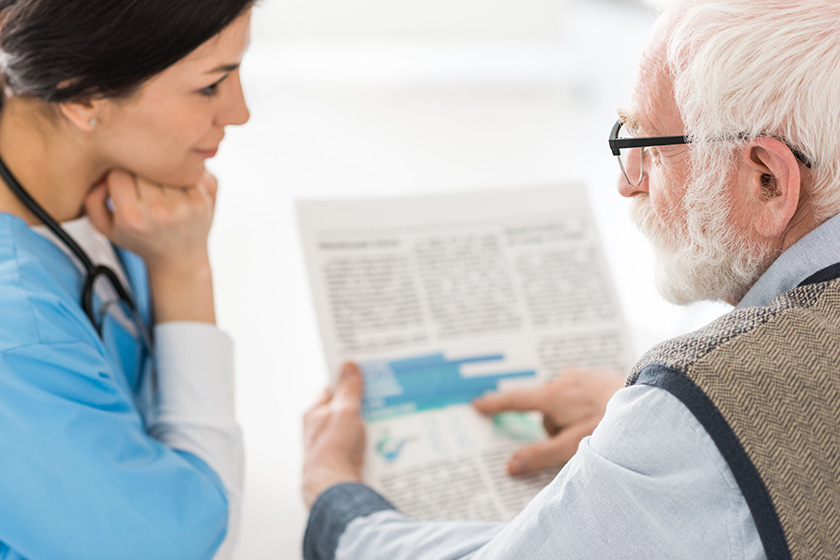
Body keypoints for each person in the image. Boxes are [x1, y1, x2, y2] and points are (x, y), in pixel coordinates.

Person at [301, 0, 840, 558]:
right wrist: (649, 441)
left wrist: (337, 502)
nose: (628, 186)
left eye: (646, 149)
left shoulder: (704, 401)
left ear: (767, 182)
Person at [0, 1, 252, 558]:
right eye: (212, 86)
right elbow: (186, 547)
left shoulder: (116, 208)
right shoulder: (14, 333)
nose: (239, 112)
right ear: (82, 96)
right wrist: (185, 273)